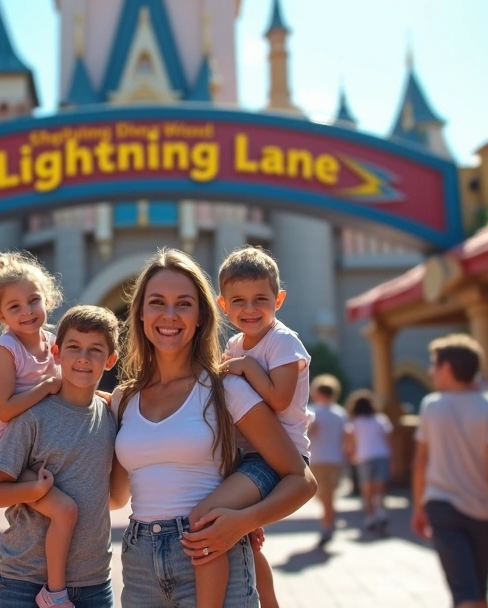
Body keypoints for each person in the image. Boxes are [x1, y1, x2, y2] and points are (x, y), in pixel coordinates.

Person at [109, 248, 316, 608]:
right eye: (157, 302)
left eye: (184, 303)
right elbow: (113, 497)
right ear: (140, 313)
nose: (169, 315)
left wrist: (244, 521)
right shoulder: (122, 400)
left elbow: (302, 480)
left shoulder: (227, 386)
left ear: (202, 315)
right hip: (140, 563)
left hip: (216, 553)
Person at [180, 245, 312, 607]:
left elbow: (280, 400)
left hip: (274, 457)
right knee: (246, 544)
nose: (249, 309)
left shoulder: (283, 342)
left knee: (204, 520)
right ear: (223, 305)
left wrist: (247, 367)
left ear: (279, 299)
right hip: (245, 455)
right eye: (238, 301)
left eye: (260, 299)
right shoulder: (237, 342)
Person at [0, 305, 122, 608]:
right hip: (24, 581)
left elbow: (115, 499)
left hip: (94, 582)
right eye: (74, 347)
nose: (83, 357)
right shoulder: (32, 418)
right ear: (56, 352)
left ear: (110, 360)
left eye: (95, 350)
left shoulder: (111, 416)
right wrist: (36, 490)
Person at [0, 250, 77, 607]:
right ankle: (56, 591)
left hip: (39, 442)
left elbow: (70, 384)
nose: (27, 311)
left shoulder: (52, 342)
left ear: (48, 299)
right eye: (14, 307)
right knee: (64, 510)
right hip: (8, 446)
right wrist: (46, 387)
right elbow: (3, 410)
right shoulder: (5, 349)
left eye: (34, 300)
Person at [412, 334, 488, 608]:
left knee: (465, 592)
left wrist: (418, 507)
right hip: (483, 510)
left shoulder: (431, 406)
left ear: (447, 368)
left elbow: (421, 462)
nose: (430, 371)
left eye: (434, 364)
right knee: (479, 591)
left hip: (442, 507)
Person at [307, 374, 348, 547]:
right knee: (327, 495)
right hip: (335, 459)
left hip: (316, 459)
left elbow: (307, 434)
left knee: (323, 495)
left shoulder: (311, 411)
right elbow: (347, 437)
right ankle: (330, 519)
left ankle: (327, 526)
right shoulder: (340, 413)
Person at [346, 389, 393, 534]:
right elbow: (388, 440)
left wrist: (351, 456)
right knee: (379, 488)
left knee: (367, 489)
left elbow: (351, 443)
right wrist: (393, 459)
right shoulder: (381, 419)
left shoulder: (355, 423)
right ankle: (380, 511)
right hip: (381, 455)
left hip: (364, 457)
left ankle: (370, 517)